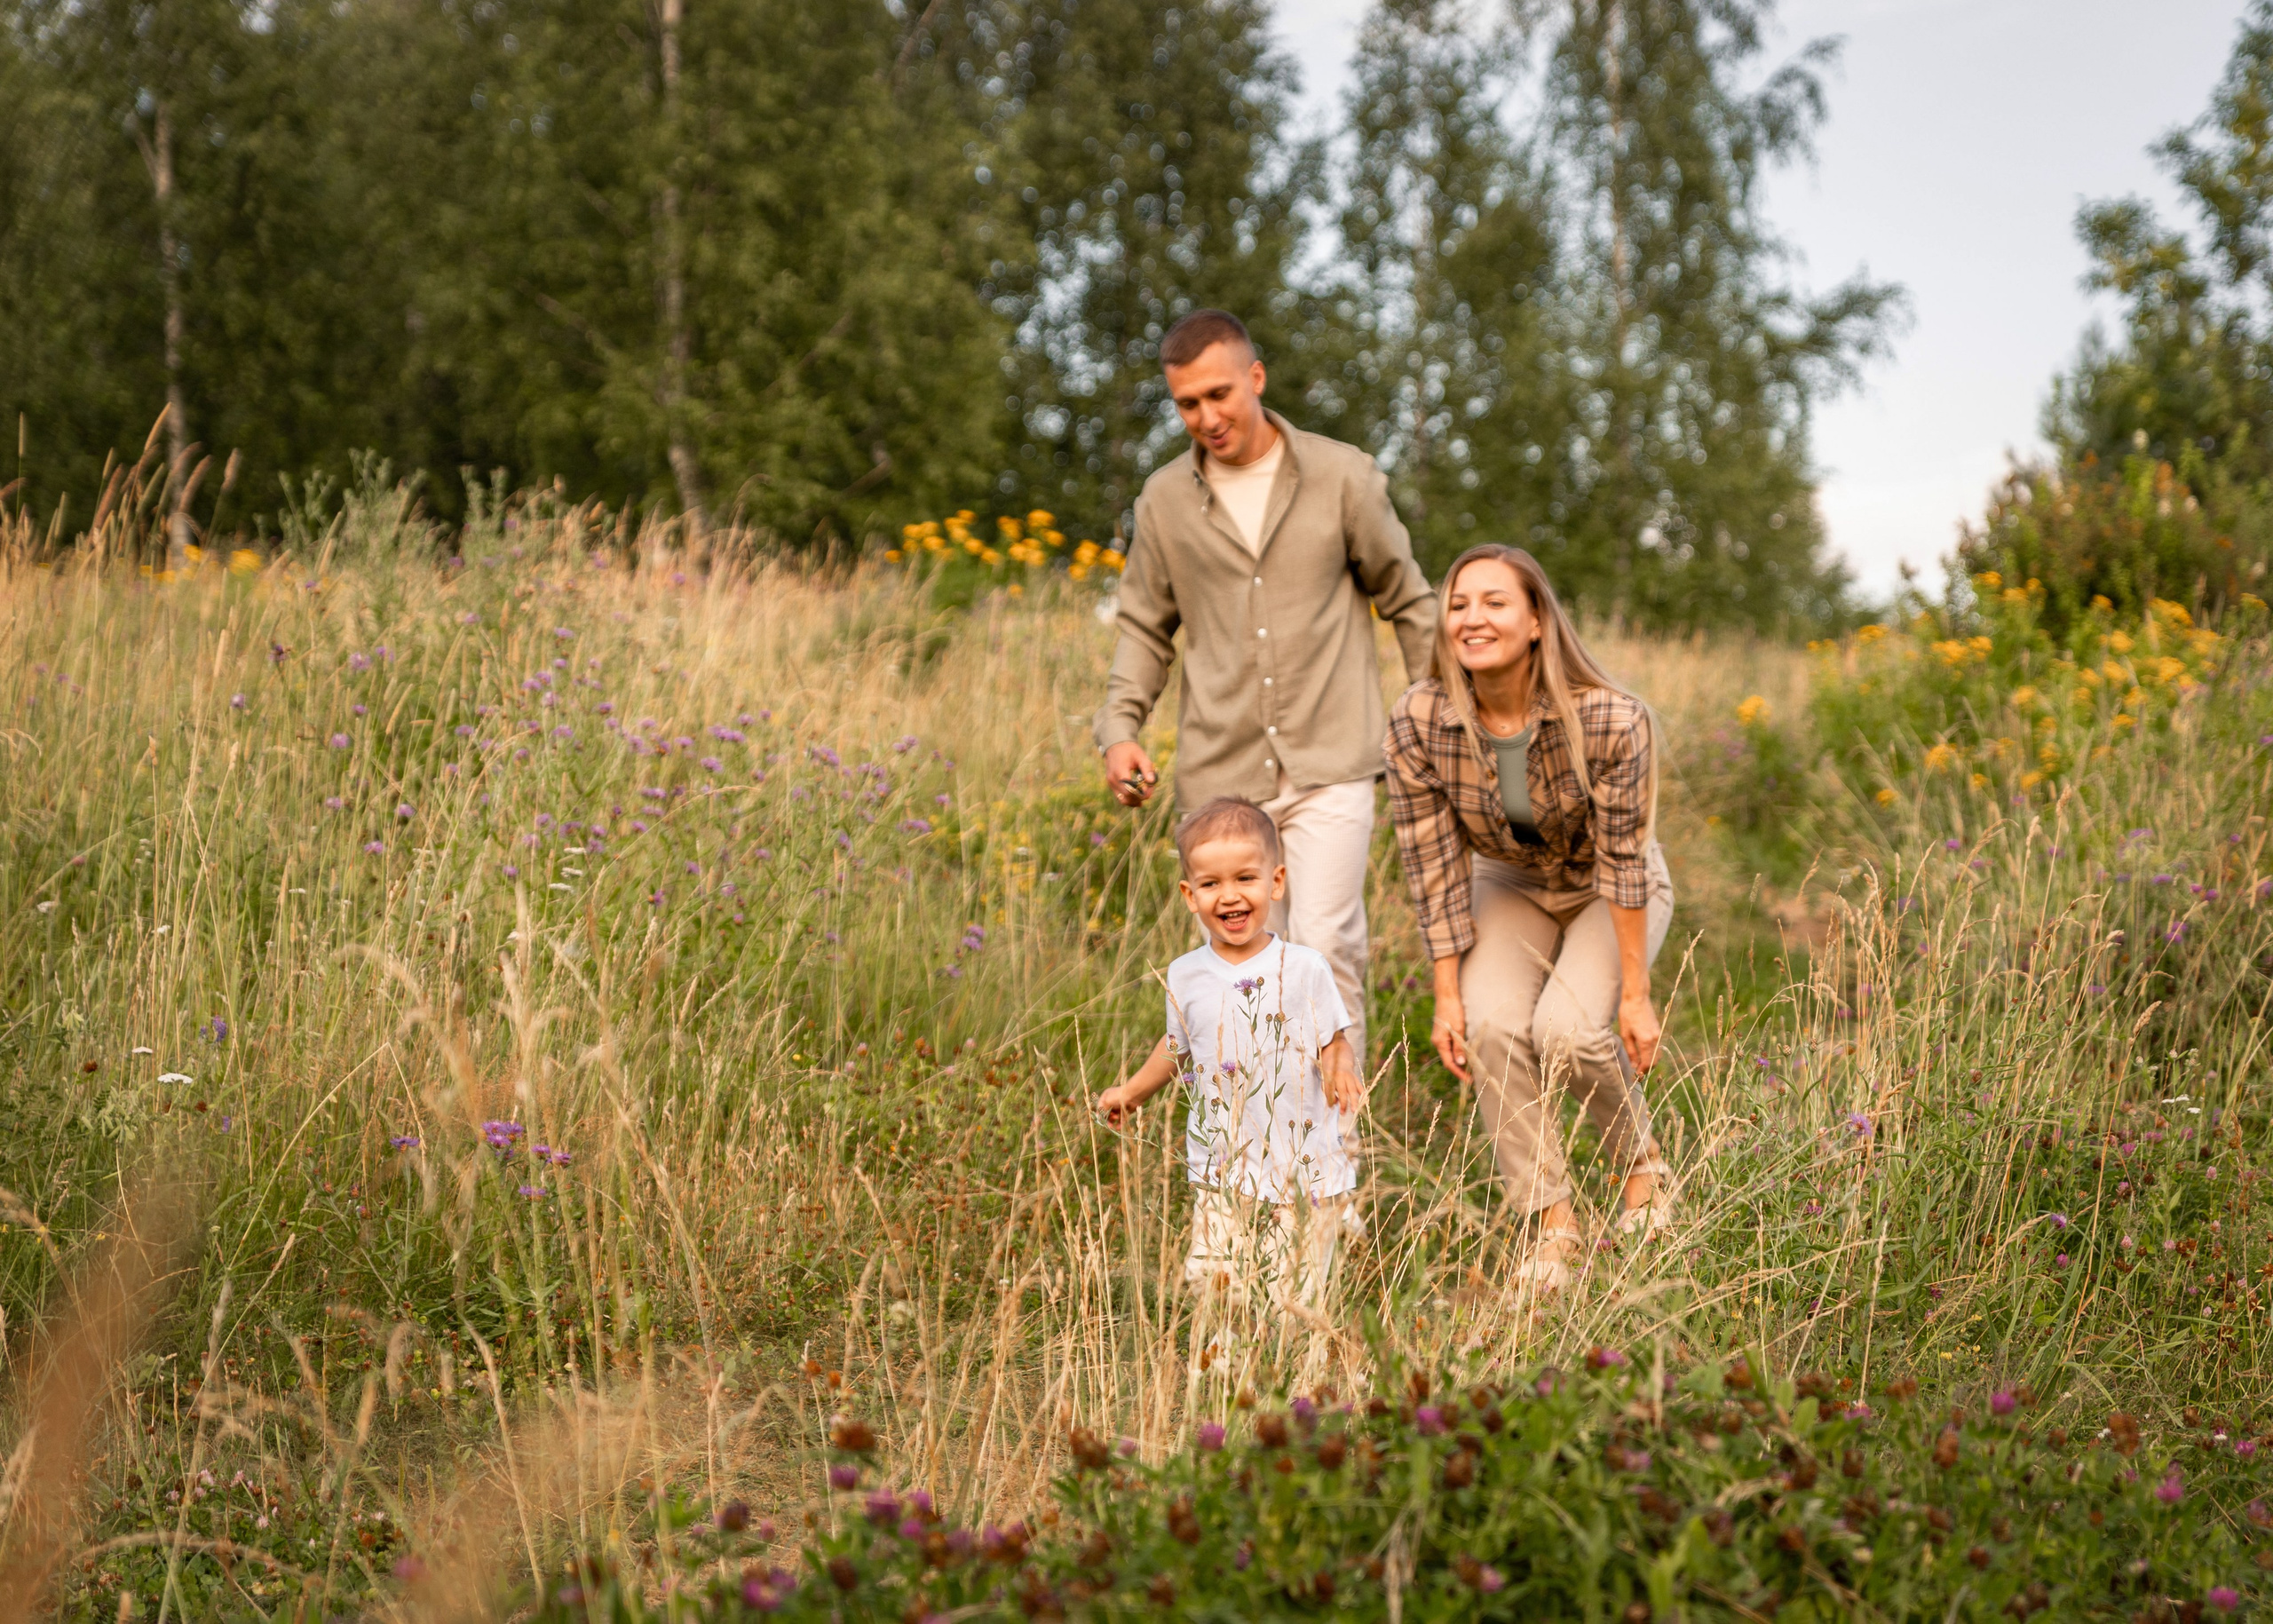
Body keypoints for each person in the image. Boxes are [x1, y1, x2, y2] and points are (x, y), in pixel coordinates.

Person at [1095, 308, 1436, 1068]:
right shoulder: (1163, 501)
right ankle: (1253, 1138)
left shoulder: (1343, 476)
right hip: (1220, 774)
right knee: (1239, 975)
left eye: (1219, 394)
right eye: (1188, 403)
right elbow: (1145, 629)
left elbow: (1409, 601)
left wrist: (1435, 718)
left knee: (1327, 952)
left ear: (1255, 377)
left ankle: (1334, 1142)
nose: (1207, 417)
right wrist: (1120, 730)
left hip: (1331, 762)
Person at [1382, 544, 1677, 1292]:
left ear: (1538, 619)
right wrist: (1446, 993)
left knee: (1569, 1032)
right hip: (1507, 877)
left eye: (1494, 602)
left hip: (1607, 883)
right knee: (1489, 1025)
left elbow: (1623, 862)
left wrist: (1635, 995)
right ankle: (1553, 1223)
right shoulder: (1419, 720)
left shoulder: (1611, 718)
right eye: (1458, 604)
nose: (1472, 618)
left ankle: (1643, 1174)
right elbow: (1432, 866)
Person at [1096, 796, 1365, 1324]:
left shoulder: (1304, 967)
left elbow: (1333, 1037)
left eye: (1245, 878)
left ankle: (1293, 1363)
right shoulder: (1185, 974)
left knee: (1290, 1301)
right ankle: (1225, 1360)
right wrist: (1132, 1092)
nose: (1230, 895)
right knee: (1215, 1282)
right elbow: (1178, 1045)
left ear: (1276, 882)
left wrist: (1339, 1067)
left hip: (1301, 1167)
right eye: (1211, 883)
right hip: (1224, 1164)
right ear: (1189, 895)